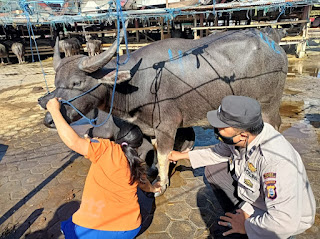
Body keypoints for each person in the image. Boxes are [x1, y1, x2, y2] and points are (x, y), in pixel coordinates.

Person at [168, 95, 316, 239]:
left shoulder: (275, 163)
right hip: (258, 198)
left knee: (272, 229)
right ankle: (239, 213)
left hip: (282, 219)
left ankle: (249, 225)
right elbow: (216, 152)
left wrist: (247, 226)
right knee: (213, 169)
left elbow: (285, 222)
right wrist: (180, 155)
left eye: (221, 128)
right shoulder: (247, 135)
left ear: (243, 135)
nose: (215, 129)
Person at [46, 97, 161, 239]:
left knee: (66, 226)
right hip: (130, 229)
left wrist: (54, 110)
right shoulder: (136, 163)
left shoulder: (105, 148)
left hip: (92, 230)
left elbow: (73, 141)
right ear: (137, 145)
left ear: (118, 137)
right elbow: (146, 186)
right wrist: (156, 188)